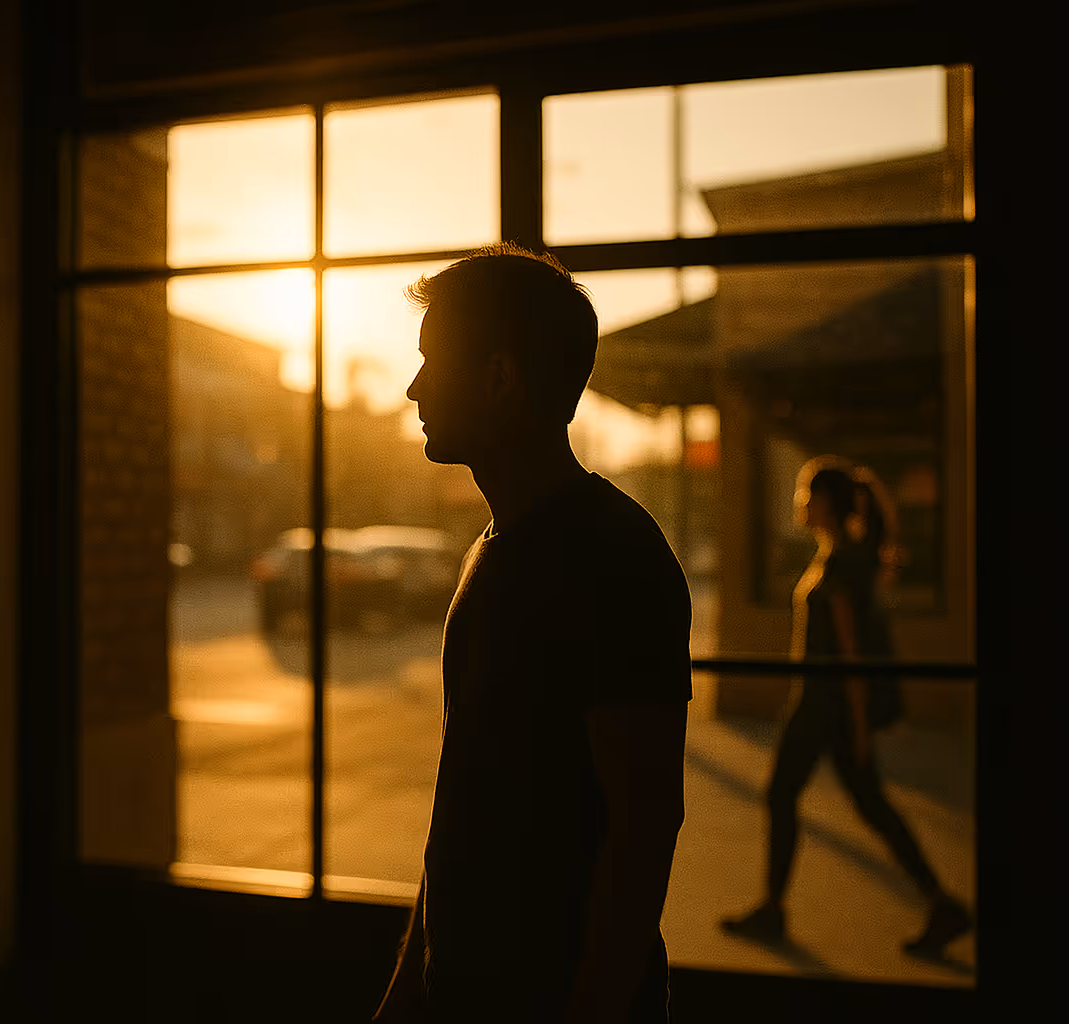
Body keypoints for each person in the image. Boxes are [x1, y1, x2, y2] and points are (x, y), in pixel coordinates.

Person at [372, 243, 692, 1023]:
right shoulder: (491, 550)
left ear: (499, 377)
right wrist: (407, 992)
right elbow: (465, 812)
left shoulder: (611, 558)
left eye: (429, 362)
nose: (413, 387)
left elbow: (643, 823)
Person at [721, 457, 973, 956]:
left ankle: (774, 910)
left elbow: (851, 653)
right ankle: (942, 904)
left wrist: (858, 727)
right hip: (824, 705)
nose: (800, 501)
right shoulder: (837, 555)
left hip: (823, 705)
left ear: (828, 503)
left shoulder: (841, 565)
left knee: (784, 795)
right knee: (870, 805)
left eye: (806, 493)